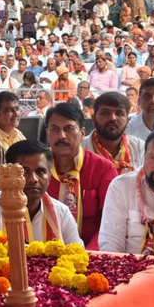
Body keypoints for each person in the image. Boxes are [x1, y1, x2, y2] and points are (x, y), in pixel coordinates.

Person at [0, 141, 82, 245]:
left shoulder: (61, 212)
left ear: (50, 177)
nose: (33, 179)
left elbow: (77, 254)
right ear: (9, 176)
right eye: (24, 171)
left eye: (40, 171)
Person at [99, 125, 154, 255]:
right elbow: (110, 243)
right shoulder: (122, 186)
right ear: (144, 157)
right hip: (131, 269)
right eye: (153, 158)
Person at [45, 103, 118, 249]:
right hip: (43, 251)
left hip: (91, 253)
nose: (61, 136)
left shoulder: (103, 168)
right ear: (47, 133)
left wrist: (88, 254)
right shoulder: (38, 169)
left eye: (69, 129)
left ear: (82, 133)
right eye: (55, 129)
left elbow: (111, 223)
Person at [82, 92, 145, 174]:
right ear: (94, 118)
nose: (112, 118)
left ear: (127, 120)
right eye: (105, 113)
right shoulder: (80, 149)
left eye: (119, 113)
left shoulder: (140, 148)